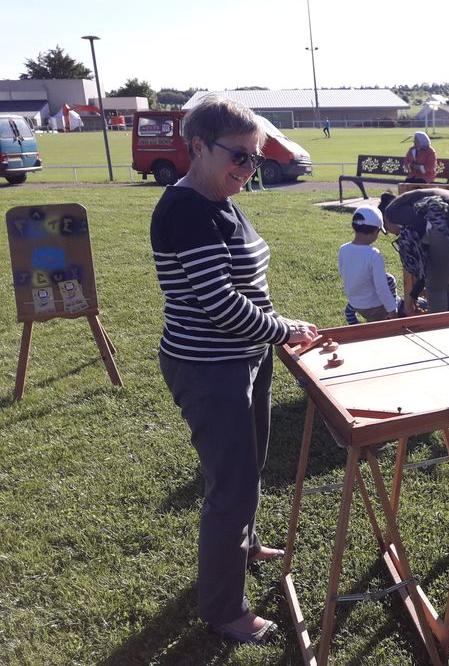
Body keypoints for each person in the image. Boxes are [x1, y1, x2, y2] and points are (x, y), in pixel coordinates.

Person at [150, 95, 319, 644]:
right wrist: (285, 330)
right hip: (208, 367)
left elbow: (246, 288)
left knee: (251, 463)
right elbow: (220, 304)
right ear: (197, 146)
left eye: (254, 157)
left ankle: (242, 549)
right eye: (239, 157)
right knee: (233, 485)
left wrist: (273, 330)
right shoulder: (186, 209)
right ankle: (224, 610)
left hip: (245, 356)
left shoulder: (220, 196)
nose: (249, 169)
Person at [338, 205, 402, 323]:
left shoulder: (343, 249)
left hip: (355, 303)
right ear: (375, 231)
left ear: (354, 226)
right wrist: (393, 312)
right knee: (377, 335)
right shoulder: (374, 255)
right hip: (374, 307)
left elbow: (344, 273)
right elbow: (382, 289)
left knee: (388, 278)